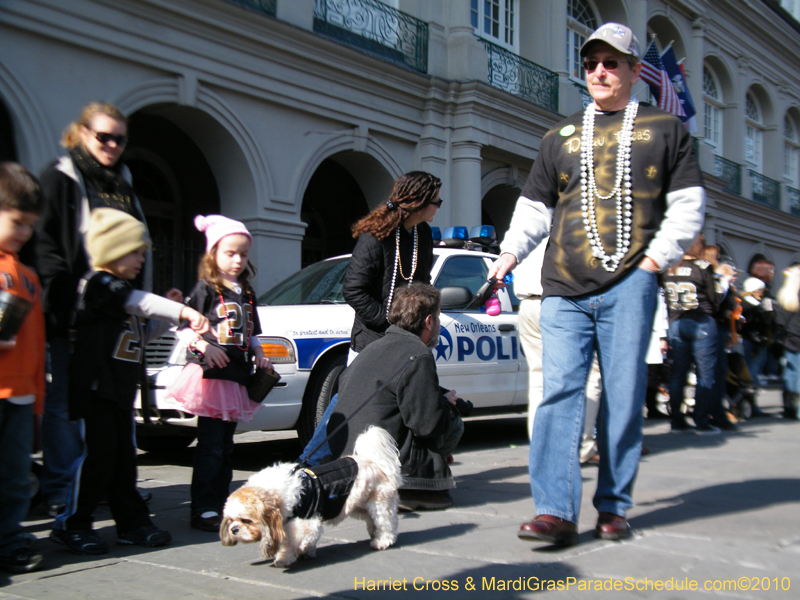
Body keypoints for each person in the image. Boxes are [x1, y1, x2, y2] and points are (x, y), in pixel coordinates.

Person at [488, 22, 705, 546]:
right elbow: (535, 208)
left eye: (612, 63)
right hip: (563, 285)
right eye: (591, 64)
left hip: (631, 283)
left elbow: (688, 206)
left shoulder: (665, 129)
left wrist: (653, 263)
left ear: (634, 70)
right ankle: (555, 511)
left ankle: (613, 506)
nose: (600, 72)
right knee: (559, 394)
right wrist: (512, 252)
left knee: (623, 396)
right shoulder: (559, 136)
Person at [51, 209, 208, 555]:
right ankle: (72, 523)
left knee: (123, 460)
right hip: (96, 388)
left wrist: (167, 319)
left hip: (119, 392)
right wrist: (180, 311)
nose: (142, 258)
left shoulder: (124, 295)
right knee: (99, 456)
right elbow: (141, 303)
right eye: (135, 251)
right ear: (112, 248)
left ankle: (132, 523)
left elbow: (141, 334)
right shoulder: (101, 284)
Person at [35, 102, 155, 517]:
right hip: (76, 312)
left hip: (118, 314)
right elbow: (46, 247)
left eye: (119, 139)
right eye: (103, 136)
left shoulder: (123, 182)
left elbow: (135, 246)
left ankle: (106, 483)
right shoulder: (61, 176)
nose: (111, 145)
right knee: (69, 404)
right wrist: (64, 300)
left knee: (116, 408)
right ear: (82, 132)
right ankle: (63, 489)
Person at [165, 215, 271, 533]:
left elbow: (251, 330)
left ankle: (221, 504)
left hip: (236, 376)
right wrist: (203, 346)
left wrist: (260, 353)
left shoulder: (247, 291)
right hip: (212, 376)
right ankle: (204, 508)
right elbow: (182, 325)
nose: (237, 260)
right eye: (230, 253)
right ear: (213, 253)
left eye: (243, 254)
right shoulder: (206, 288)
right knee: (210, 446)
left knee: (225, 447)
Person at [327, 283, 462, 511]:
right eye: (437, 318)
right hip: (380, 463)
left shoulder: (371, 348)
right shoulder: (419, 355)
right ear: (429, 322)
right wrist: (445, 405)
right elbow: (427, 425)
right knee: (454, 422)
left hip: (346, 461)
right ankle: (409, 489)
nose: (438, 324)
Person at [342, 171, 442, 363]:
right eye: (437, 202)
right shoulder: (375, 234)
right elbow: (353, 290)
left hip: (412, 340)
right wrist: (390, 323)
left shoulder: (423, 233)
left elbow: (423, 281)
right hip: (373, 342)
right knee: (361, 393)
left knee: (415, 392)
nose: (439, 207)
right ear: (419, 203)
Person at [0, 163, 46, 573]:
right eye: (17, 222)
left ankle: (10, 537)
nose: (25, 232)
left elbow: (35, 346)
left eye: (30, 225)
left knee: (16, 476)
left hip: (21, 395)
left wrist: (37, 403)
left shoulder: (28, 276)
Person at [664, 235, 733, 435]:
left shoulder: (670, 267)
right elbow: (715, 298)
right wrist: (725, 285)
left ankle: (676, 419)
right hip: (701, 321)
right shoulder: (703, 266)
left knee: (678, 373)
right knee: (705, 374)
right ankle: (701, 420)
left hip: (676, 321)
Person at [775, 265, 800, 420]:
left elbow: (780, 320)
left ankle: (789, 406)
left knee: (791, 372)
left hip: (790, 337)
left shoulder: (786, 294)